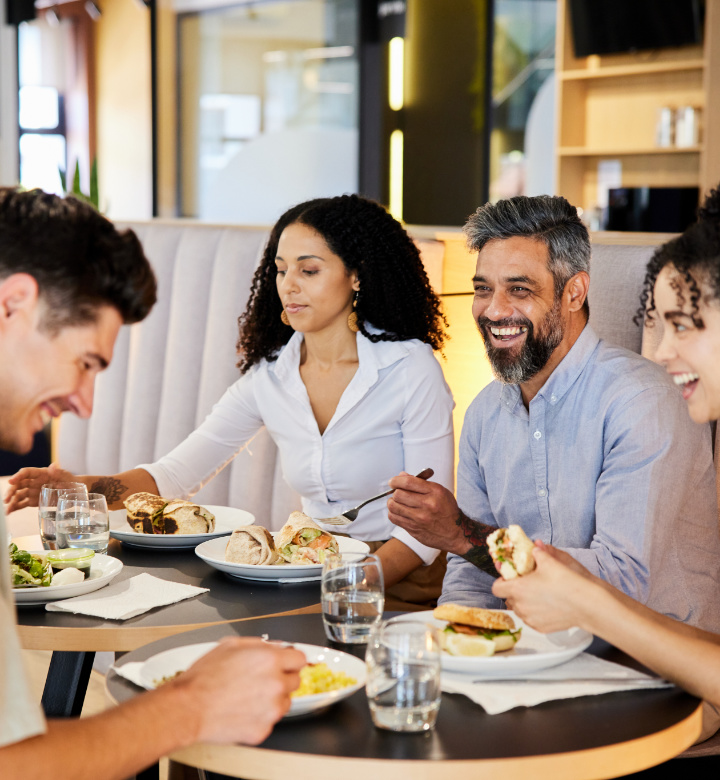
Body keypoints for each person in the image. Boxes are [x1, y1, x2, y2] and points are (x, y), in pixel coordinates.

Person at [6, 194, 454, 607]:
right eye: (281, 270)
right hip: (307, 567)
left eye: (309, 270)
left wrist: (351, 583)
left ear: (356, 274)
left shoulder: (409, 370)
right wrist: (81, 488)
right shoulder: (270, 378)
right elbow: (175, 475)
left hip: (399, 578)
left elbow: (428, 529)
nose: (289, 285)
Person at [0, 187, 306, 778]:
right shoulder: (267, 379)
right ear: (14, 303)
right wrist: (192, 706)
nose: (85, 403)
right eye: (86, 363)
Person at [386, 194, 720, 631]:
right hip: (526, 655)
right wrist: (456, 644)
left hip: (645, 667)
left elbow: (623, 579)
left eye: (519, 289)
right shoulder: (485, 413)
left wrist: (463, 535)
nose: (494, 310)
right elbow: (468, 582)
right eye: (483, 288)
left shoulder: (641, 401)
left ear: (574, 292)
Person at [492, 186, 720, 711]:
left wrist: (584, 599)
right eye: (658, 324)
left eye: (681, 325)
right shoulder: (489, 409)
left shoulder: (639, 398)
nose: (662, 353)